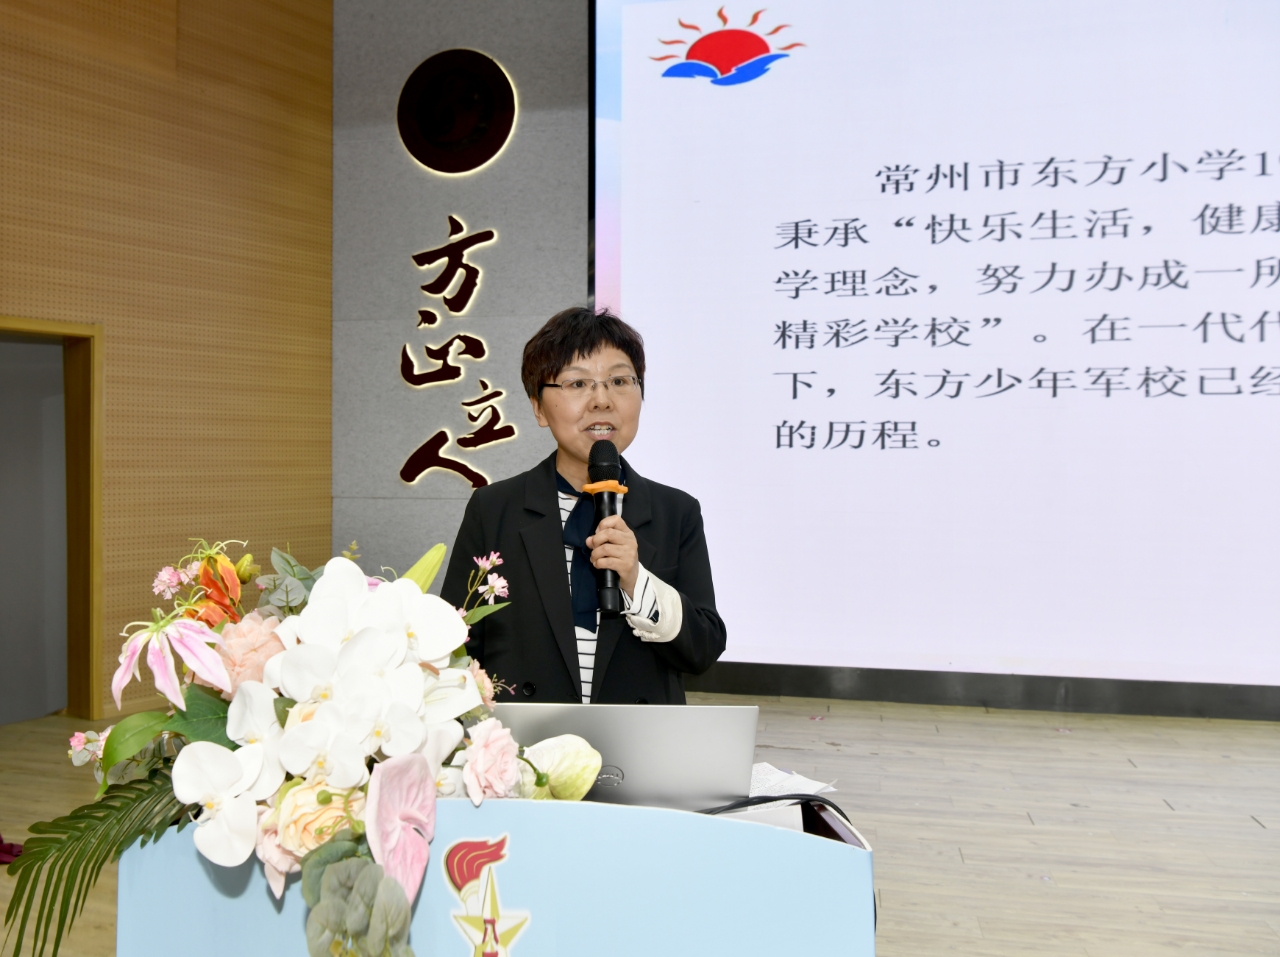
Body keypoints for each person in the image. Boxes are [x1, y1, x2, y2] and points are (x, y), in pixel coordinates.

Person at [440, 307, 726, 704]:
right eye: (577, 383)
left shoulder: (676, 511)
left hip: (638, 738)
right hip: (526, 738)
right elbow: (455, 644)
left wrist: (636, 580)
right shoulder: (494, 509)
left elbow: (703, 649)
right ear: (538, 407)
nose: (602, 400)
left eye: (620, 381)